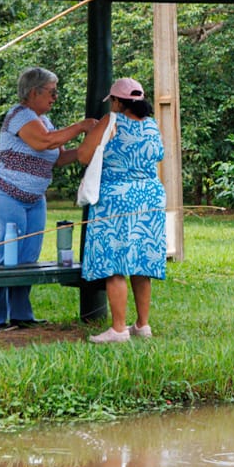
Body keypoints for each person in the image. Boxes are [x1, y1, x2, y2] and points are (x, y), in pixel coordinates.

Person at [0, 67, 95, 331]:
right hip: (4, 193)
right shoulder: (20, 115)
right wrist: (81, 126)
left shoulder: (45, 121)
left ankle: (21, 314)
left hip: (34, 198)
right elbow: (44, 142)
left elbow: (59, 156)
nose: (55, 97)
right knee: (5, 253)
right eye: (52, 92)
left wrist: (87, 148)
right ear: (34, 92)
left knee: (28, 257)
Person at [79, 78, 168, 342]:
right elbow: (158, 155)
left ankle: (118, 329)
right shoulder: (152, 125)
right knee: (141, 260)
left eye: (113, 101)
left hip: (117, 199)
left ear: (118, 102)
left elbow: (84, 156)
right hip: (150, 197)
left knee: (115, 262)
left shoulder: (111, 121)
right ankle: (142, 325)